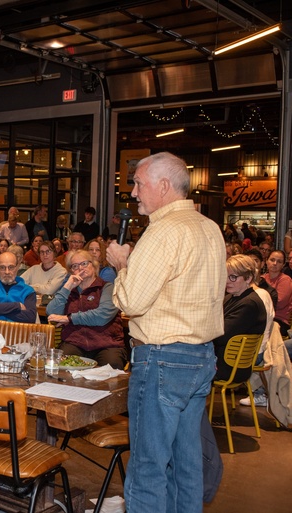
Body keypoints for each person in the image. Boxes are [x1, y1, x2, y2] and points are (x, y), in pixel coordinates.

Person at [106, 152, 226, 513]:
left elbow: (132, 302)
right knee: (186, 464)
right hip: (200, 357)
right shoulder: (209, 227)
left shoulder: (163, 232)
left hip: (162, 359)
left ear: (162, 185)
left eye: (138, 183)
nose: (133, 191)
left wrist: (122, 265)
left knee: (147, 468)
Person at [46, 249, 126, 369]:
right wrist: (67, 286)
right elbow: (51, 312)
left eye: (84, 263)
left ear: (93, 265)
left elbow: (101, 316)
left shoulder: (107, 288)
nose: (80, 268)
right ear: (71, 271)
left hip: (107, 345)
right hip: (75, 343)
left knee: (112, 366)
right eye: (75, 266)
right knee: (61, 365)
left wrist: (69, 318)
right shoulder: (69, 292)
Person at [215, 255, 267, 382]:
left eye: (233, 277)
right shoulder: (232, 297)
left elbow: (220, 335)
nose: (227, 281)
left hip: (229, 366)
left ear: (248, 278)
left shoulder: (249, 304)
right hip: (224, 361)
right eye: (226, 276)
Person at [0, 251, 38, 337]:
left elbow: (30, 317)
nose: (7, 272)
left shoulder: (28, 291)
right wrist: (17, 306)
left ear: (17, 267)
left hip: (19, 337)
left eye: (11, 267)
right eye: (2, 267)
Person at [263, 250, 292, 333]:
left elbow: (279, 303)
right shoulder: (262, 278)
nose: (275, 263)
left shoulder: (285, 280)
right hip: (262, 317)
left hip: (278, 320)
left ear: (283, 265)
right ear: (266, 261)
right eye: (272, 260)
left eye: (279, 262)